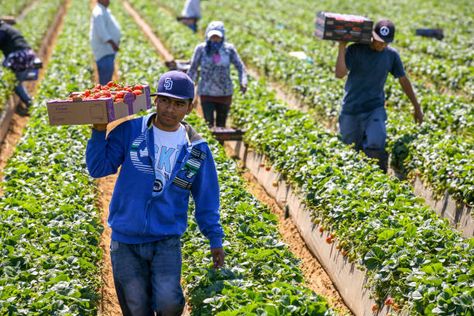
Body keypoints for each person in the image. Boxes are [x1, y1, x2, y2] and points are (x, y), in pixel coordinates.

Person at [86, 70, 225, 315]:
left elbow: (207, 198)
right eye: (165, 101)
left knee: (169, 303)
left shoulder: (196, 149)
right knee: (136, 307)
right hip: (126, 238)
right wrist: (99, 131)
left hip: (166, 239)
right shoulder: (132, 131)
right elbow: (99, 168)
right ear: (155, 100)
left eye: (179, 104)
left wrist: (215, 238)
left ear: (189, 108)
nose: (170, 109)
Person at [335, 19, 423, 172]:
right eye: (378, 40)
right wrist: (342, 46)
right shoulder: (355, 49)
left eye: (385, 42)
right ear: (372, 35)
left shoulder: (391, 55)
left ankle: (378, 178)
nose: (380, 44)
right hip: (351, 108)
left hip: (374, 107)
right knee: (348, 151)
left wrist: (416, 106)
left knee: (377, 142)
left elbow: (403, 80)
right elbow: (339, 74)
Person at [188, 21, 247, 128]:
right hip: (206, 92)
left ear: (222, 37)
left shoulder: (229, 49)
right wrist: (187, 87)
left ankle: (221, 143)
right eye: (212, 37)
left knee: (221, 126)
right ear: (207, 36)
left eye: (217, 37)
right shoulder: (201, 49)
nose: (215, 40)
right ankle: (210, 144)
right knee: (208, 124)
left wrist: (243, 81)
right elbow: (193, 69)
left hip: (224, 93)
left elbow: (240, 66)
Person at [0, 19, 39, 114]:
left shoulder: (2, 31)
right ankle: (28, 103)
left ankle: (30, 104)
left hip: (19, 56)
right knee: (16, 81)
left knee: (13, 82)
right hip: (27, 54)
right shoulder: (7, 28)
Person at [90, 0, 121, 86]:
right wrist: (113, 43)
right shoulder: (98, 13)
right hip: (104, 52)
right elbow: (102, 33)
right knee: (105, 83)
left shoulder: (103, 10)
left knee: (107, 79)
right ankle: (104, 99)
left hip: (107, 51)